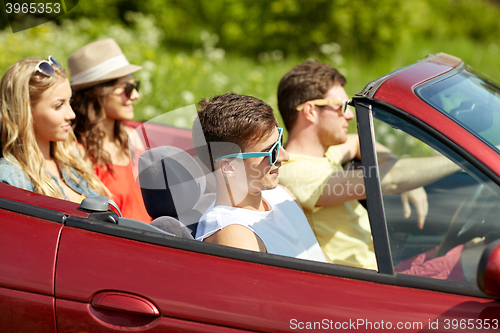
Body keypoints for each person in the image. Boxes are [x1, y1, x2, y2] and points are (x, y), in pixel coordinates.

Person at [277, 61, 461, 269]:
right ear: (310, 111)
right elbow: (385, 180)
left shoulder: (324, 150)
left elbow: (357, 142)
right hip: (365, 279)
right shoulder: (294, 171)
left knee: (470, 249)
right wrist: (463, 158)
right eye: (341, 107)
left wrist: (396, 166)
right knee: (470, 260)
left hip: (383, 266)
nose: (349, 115)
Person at [193, 93, 330, 263]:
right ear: (228, 167)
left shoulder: (283, 194)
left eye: (280, 142)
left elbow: (320, 259)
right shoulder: (234, 233)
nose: (284, 156)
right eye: (271, 151)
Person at [0, 57, 108, 201]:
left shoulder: (72, 160)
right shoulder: (10, 177)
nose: (71, 114)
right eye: (58, 105)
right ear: (26, 113)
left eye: (69, 102)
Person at [68, 38, 152, 223]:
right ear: (98, 93)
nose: (135, 96)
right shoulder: (77, 150)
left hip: (155, 237)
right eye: (127, 88)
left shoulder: (131, 137)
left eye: (135, 86)